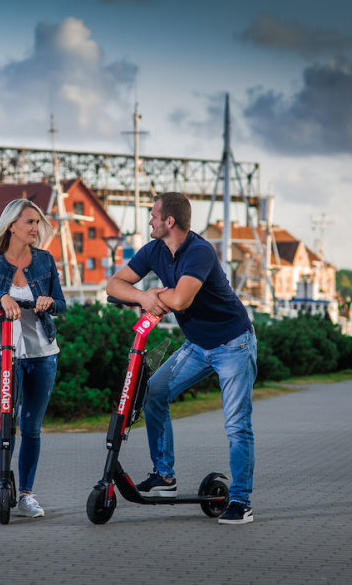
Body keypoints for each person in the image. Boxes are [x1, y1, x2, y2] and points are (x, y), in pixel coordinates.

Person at [106, 192, 257, 525]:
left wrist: (156, 296)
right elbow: (113, 286)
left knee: (236, 425)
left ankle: (241, 501)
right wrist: (145, 296)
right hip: (197, 345)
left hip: (234, 344)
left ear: (169, 222)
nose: (149, 221)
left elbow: (182, 299)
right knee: (155, 393)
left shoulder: (200, 251)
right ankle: (164, 477)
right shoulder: (155, 250)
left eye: (153, 215)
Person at [0, 198, 66, 518]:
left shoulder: (45, 261)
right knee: (5, 420)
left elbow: (62, 304)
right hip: (4, 352)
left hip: (42, 353)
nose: (36, 228)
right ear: (11, 226)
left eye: (37, 223)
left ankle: (26, 494)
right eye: (29, 222)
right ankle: (3, 478)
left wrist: (49, 301)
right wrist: (1, 295)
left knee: (32, 427)